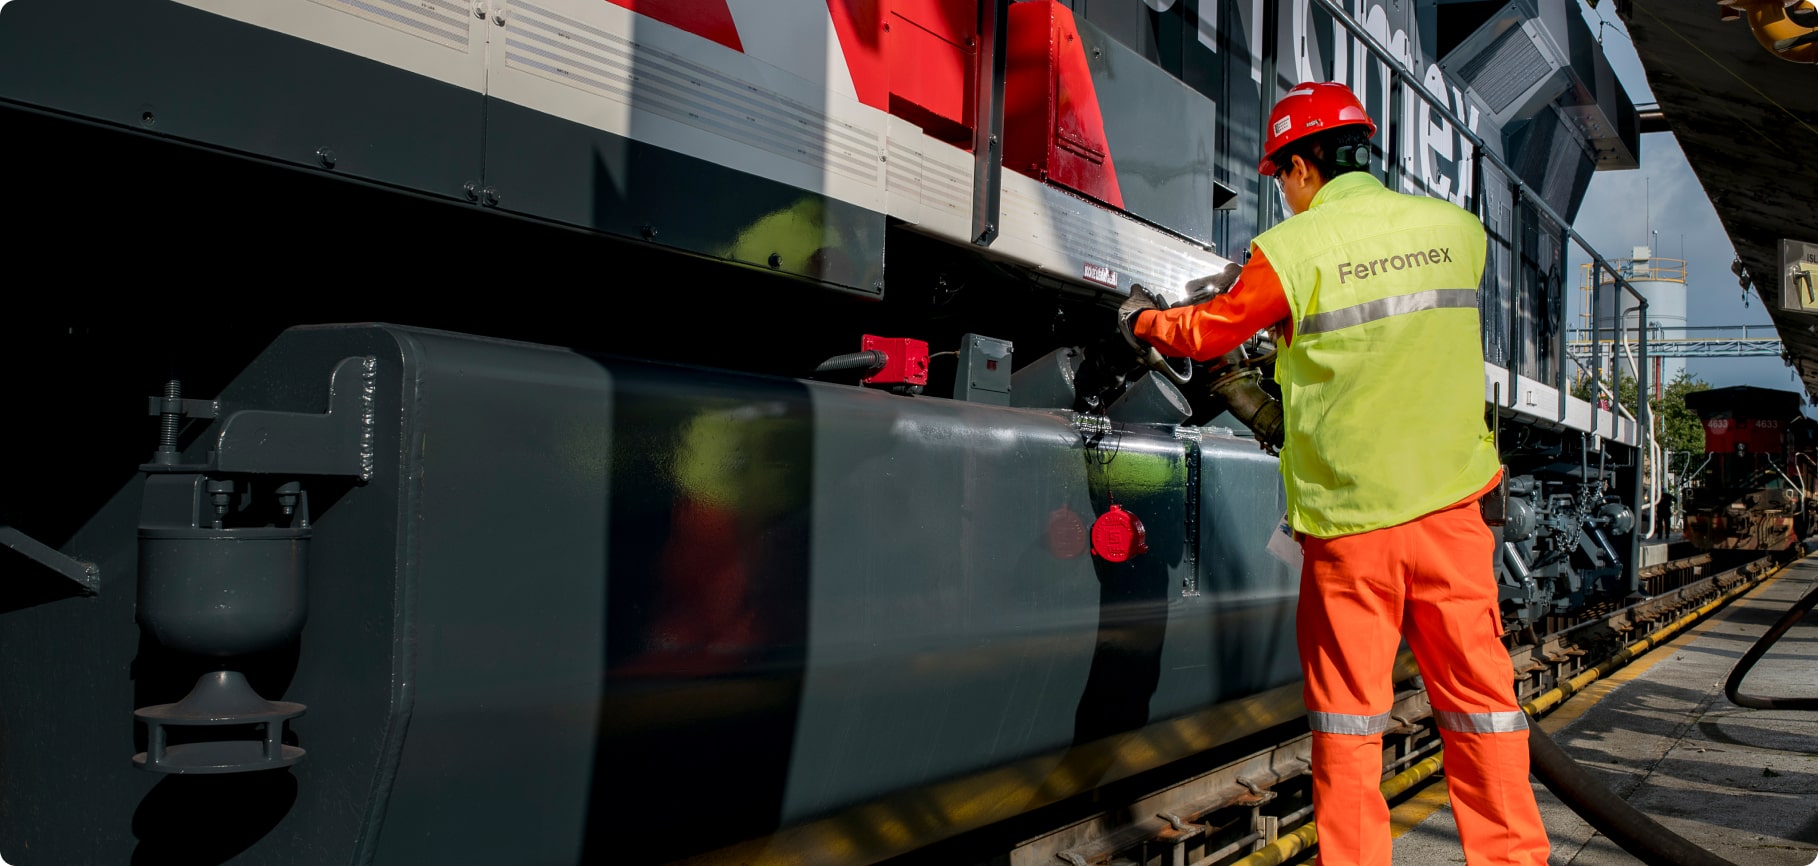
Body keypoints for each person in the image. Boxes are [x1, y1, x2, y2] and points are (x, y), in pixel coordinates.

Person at [1119, 81, 1550, 866]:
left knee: (1350, 724)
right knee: (1484, 710)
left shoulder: (1294, 250)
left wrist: (1142, 319)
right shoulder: (1458, 232)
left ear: (1304, 166)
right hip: (1455, 518)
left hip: (1353, 534)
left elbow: (1208, 330)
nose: (1283, 195)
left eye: (1281, 177)